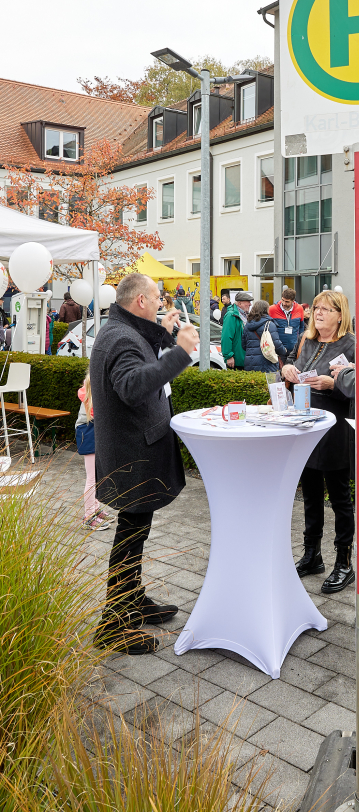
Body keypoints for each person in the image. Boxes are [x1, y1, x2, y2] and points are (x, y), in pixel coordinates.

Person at [89, 272, 199, 655]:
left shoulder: (122, 328)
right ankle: (113, 625)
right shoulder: (120, 337)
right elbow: (134, 386)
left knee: (134, 532)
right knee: (130, 536)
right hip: (132, 458)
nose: (162, 302)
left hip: (132, 454)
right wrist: (181, 353)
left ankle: (132, 599)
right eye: (157, 298)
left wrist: (164, 334)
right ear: (140, 302)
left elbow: (139, 354)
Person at [282, 291, 355, 594]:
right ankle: (312, 555)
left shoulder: (351, 345)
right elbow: (292, 366)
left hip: (335, 429)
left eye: (326, 309)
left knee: (339, 499)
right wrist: (286, 371)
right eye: (316, 309)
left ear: (341, 314)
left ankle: (344, 562)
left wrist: (333, 383)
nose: (319, 313)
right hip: (306, 426)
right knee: (311, 494)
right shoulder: (307, 340)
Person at [75, 373, 113, 531]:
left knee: (96, 475)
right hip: (88, 432)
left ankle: (95, 510)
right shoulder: (91, 399)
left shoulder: (89, 390)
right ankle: (88, 516)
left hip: (90, 431)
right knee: (92, 477)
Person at [242, 299, 287, 372]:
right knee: (270, 382)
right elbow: (276, 344)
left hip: (250, 362)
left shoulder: (247, 325)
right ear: (266, 310)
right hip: (267, 361)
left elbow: (243, 345)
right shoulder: (269, 324)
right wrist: (284, 351)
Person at [269, 287, 305, 357]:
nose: (284, 303)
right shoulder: (272, 309)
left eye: (287, 301)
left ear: (293, 301)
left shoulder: (299, 308)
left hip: (294, 349)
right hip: (277, 350)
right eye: (283, 300)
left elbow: (301, 327)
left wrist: (300, 344)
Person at [221, 290, 253, 369]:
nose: (250, 304)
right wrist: (229, 356)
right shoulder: (231, 316)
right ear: (239, 303)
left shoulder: (245, 315)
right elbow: (226, 337)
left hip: (245, 360)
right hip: (236, 361)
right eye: (248, 302)